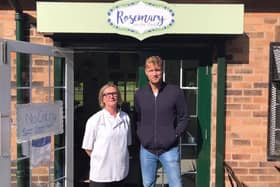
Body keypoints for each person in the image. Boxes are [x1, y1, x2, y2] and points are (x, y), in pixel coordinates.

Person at [134, 56, 188, 187]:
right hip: (147, 150)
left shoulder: (175, 92)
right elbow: (137, 118)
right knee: (148, 184)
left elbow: (184, 117)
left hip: (169, 149)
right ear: (146, 72)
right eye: (151, 70)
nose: (155, 73)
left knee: (176, 184)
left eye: (157, 70)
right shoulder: (139, 94)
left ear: (162, 71)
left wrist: (174, 135)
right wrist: (142, 136)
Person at [82, 83, 131, 187]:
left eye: (114, 93)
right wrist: (103, 158)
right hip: (101, 175)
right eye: (107, 94)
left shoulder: (125, 118)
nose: (111, 96)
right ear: (102, 99)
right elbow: (88, 148)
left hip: (120, 173)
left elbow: (127, 143)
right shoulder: (94, 120)